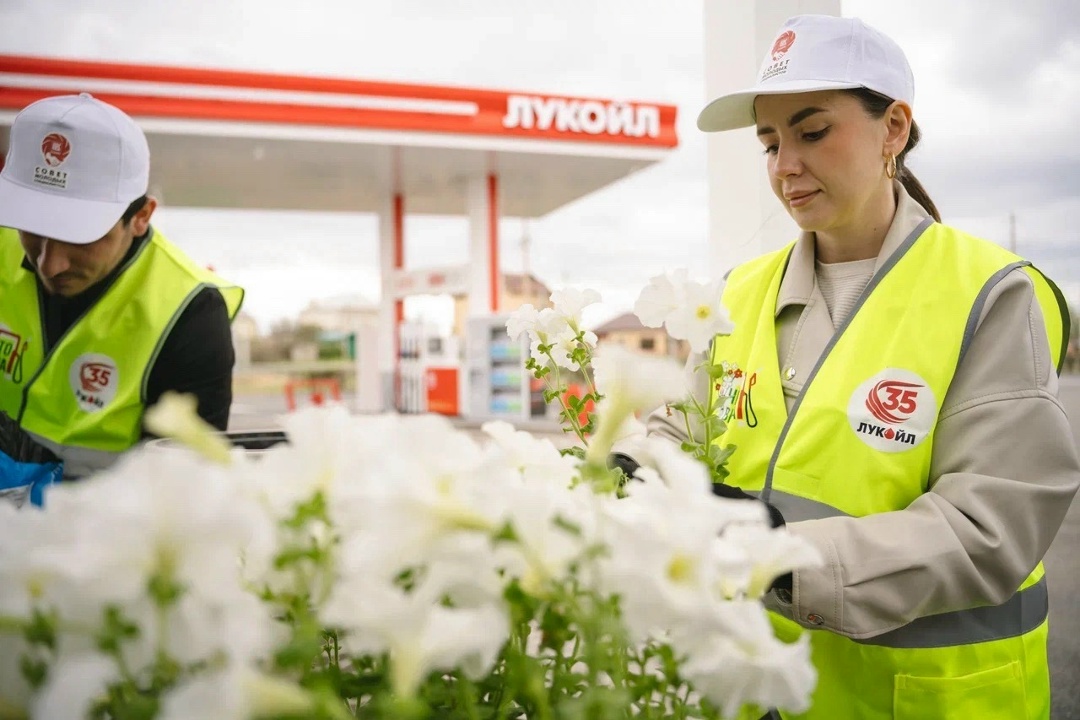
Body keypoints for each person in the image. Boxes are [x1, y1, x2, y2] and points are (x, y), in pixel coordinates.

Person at [615, 14, 1080, 720]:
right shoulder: (740, 294)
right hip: (758, 692)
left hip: (925, 701)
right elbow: (680, 434)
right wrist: (631, 471)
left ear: (893, 128)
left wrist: (776, 552)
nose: (783, 167)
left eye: (812, 131)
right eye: (769, 142)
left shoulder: (990, 292)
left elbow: (990, 528)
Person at [0, 93, 244, 481]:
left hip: (90, 536)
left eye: (80, 237)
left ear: (141, 216)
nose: (48, 262)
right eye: (33, 229)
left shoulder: (189, 312)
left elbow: (184, 491)